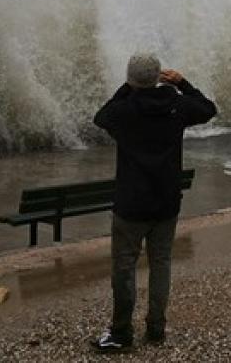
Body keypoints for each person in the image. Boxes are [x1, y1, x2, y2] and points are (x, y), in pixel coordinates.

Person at [90, 53, 217, 352]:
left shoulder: (124, 111)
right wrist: (183, 82)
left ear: (132, 80)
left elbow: (101, 116)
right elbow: (208, 109)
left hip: (131, 205)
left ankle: (121, 333)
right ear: (161, 76)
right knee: (161, 264)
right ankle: (156, 329)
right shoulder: (178, 106)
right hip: (166, 203)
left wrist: (127, 87)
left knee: (124, 267)